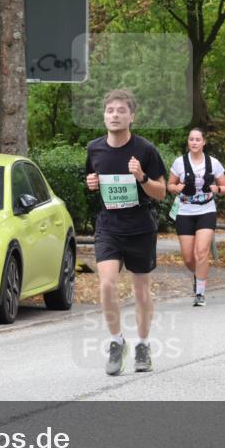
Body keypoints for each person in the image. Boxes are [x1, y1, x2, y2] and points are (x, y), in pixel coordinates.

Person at [85, 89, 167, 375]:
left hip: (140, 227)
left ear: (132, 116)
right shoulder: (94, 149)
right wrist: (91, 183)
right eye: (110, 110)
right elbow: (93, 180)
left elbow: (160, 192)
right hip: (109, 226)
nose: (115, 115)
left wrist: (141, 177)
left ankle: (143, 344)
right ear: (104, 115)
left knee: (141, 290)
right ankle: (116, 341)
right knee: (106, 284)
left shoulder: (145, 150)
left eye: (121, 110)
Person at [168, 128, 225, 307]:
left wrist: (218, 189)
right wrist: (175, 188)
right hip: (185, 211)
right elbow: (169, 185)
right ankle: (199, 275)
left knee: (201, 252)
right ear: (188, 142)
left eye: (197, 139)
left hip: (206, 211)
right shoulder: (179, 162)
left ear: (203, 142)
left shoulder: (214, 163)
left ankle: (200, 292)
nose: (194, 142)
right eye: (191, 139)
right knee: (188, 258)